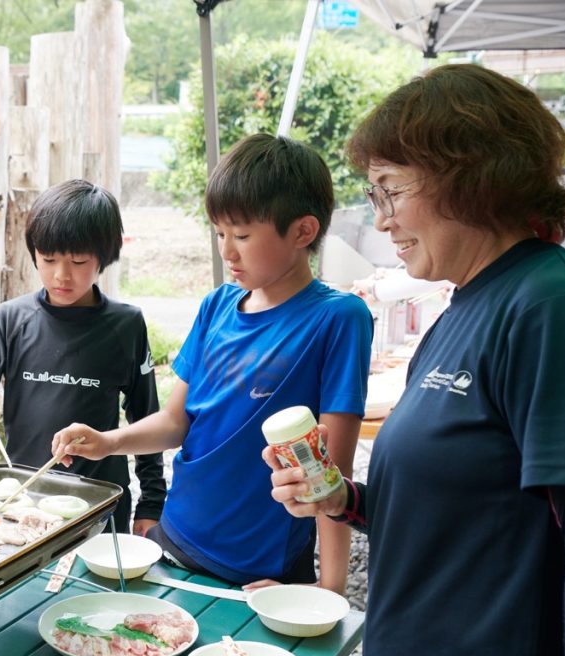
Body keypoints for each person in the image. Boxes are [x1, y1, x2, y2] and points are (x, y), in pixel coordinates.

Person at [265, 64, 565, 656]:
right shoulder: (462, 305)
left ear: (471, 176)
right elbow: (448, 507)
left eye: (389, 188)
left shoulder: (549, 303)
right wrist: (341, 500)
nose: (381, 221)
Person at [52, 134, 372, 593]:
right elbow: (176, 421)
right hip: (176, 540)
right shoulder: (217, 306)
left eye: (242, 235)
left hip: (260, 569)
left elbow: (330, 475)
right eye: (220, 233)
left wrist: (329, 589)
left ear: (303, 231)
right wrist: (107, 442)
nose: (227, 251)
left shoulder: (337, 318)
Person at [0, 179, 166, 535]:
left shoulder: (126, 325)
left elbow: (147, 417)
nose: (61, 275)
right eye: (48, 260)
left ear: (104, 258)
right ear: (34, 253)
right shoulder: (10, 320)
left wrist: (151, 504)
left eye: (78, 261)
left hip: (101, 506)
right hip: (22, 504)